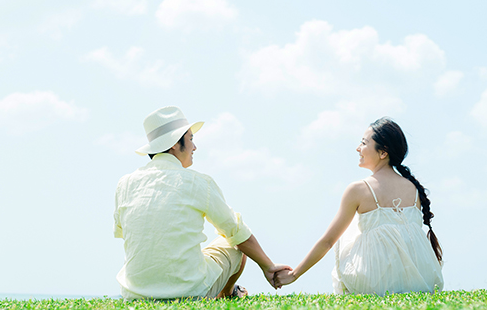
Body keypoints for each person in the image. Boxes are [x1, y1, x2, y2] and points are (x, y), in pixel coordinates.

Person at [113, 106, 290, 300]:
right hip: (188, 292)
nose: (194, 147)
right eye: (190, 139)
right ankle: (227, 294)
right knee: (231, 242)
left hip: (134, 295)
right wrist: (268, 267)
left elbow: (125, 233)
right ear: (174, 143)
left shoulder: (125, 183)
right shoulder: (198, 182)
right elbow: (238, 233)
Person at [275, 118, 443, 295]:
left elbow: (327, 241)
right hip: (422, 281)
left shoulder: (358, 189)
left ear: (383, 152)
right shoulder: (414, 188)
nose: (358, 148)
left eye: (363, 143)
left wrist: (294, 274)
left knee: (349, 236)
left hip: (374, 282)